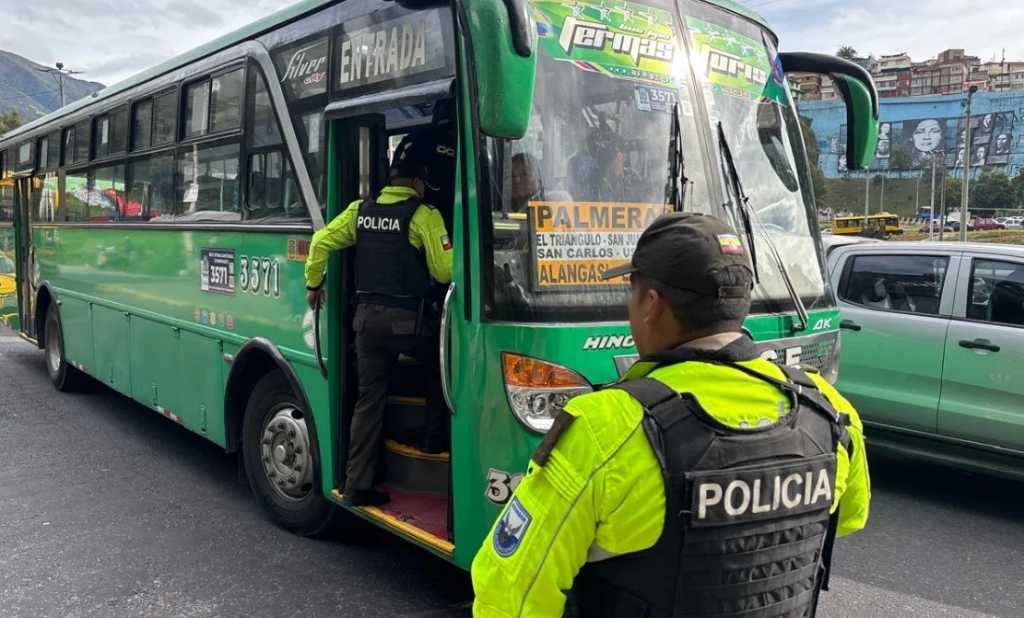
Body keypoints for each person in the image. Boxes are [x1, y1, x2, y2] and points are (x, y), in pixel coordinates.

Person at [471, 212, 871, 618]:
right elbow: (849, 517)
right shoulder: (827, 409)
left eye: (632, 294)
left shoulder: (605, 426)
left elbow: (510, 594)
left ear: (651, 305)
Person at [304, 135, 453, 508]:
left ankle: (357, 485)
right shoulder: (424, 215)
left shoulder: (360, 210)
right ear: (418, 184)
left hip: (365, 323)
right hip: (407, 323)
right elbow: (445, 271)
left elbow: (320, 241)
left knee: (369, 400)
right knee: (444, 357)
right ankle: (434, 438)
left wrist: (314, 284)